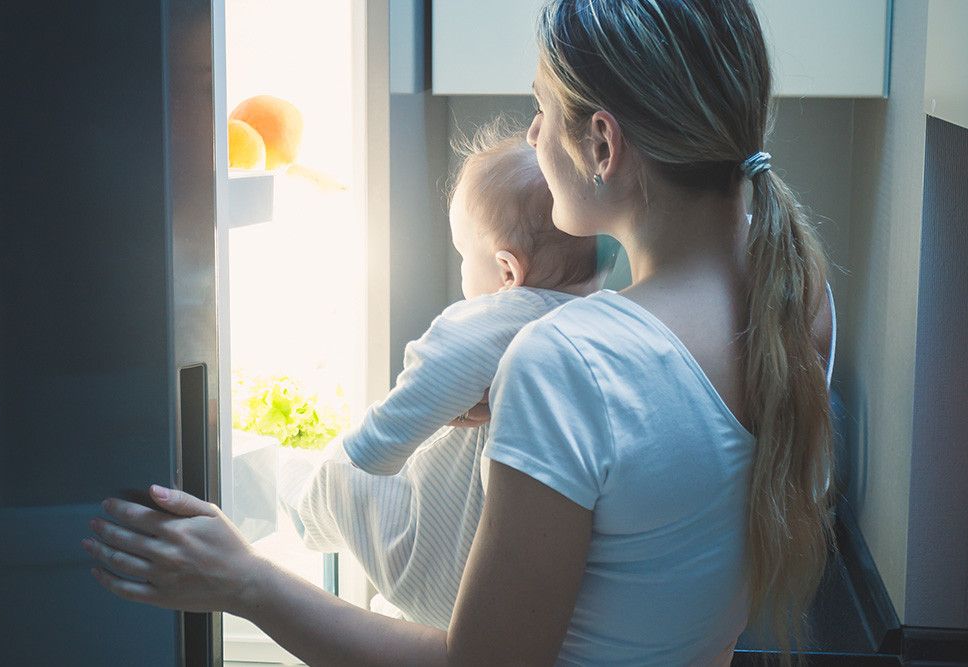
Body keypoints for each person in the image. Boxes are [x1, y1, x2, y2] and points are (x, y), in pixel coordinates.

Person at [83, 1, 837, 664]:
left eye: (540, 110)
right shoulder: (798, 292)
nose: (534, 132)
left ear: (603, 147)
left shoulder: (568, 363)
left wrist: (242, 579)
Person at [281, 121, 602, 629]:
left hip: (449, 566)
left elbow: (440, 363)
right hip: (516, 580)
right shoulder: (601, 310)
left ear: (506, 272)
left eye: (461, 255)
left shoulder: (504, 314)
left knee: (343, 477)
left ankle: (299, 511)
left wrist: (373, 445)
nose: (459, 271)